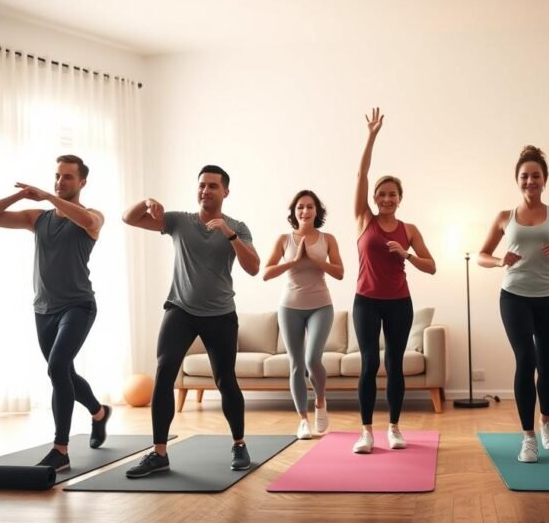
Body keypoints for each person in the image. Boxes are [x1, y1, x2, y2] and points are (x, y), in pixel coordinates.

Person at [0, 154, 112, 472]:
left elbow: (89, 223)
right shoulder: (38, 219)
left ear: (82, 182)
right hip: (44, 308)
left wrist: (50, 197)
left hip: (78, 306)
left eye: (67, 177)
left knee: (57, 367)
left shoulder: (91, 216)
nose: (60, 181)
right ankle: (99, 412)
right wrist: (20, 195)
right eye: (57, 176)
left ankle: (60, 449)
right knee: (62, 372)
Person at [121, 165, 260, 477]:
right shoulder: (178, 221)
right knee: (165, 371)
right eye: (202, 185)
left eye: (213, 186)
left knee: (225, 379)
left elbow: (253, 267)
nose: (205, 191)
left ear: (225, 191)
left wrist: (229, 233)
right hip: (180, 310)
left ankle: (239, 444)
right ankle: (158, 453)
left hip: (221, 315)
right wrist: (146, 201)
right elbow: (128, 218)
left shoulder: (237, 226)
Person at [477, 145, 549, 463]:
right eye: (525, 176)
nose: (530, 181)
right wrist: (500, 259)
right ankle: (528, 437)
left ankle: (547, 423)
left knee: (547, 364)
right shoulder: (504, 217)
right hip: (513, 297)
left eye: (536, 176)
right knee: (525, 360)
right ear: (518, 180)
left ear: (545, 180)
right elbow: (482, 256)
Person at [351, 107, 436, 454]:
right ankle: (366, 432)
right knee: (370, 363)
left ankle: (394, 428)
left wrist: (407, 255)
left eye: (392, 195)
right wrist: (372, 135)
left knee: (395, 364)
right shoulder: (362, 220)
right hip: (366, 302)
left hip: (400, 303)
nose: (386, 198)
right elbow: (361, 173)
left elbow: (431, 266)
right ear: (374, 198)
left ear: (400, 199)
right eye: (381, 194)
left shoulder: (409, 230)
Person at [262, 190, 344, 439]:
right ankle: (303, 421)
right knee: (296, 365)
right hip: (289, 308)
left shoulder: (327, 239)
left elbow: (340, 272)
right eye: (300, 207)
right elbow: (266, 273)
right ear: (294, 212)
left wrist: (316, 260)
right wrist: (294, 260)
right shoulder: (284, 239)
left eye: (309, 207)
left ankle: (320, 401)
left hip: (321, 306)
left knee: (312, 360)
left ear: (317, 211)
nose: (305, 211)